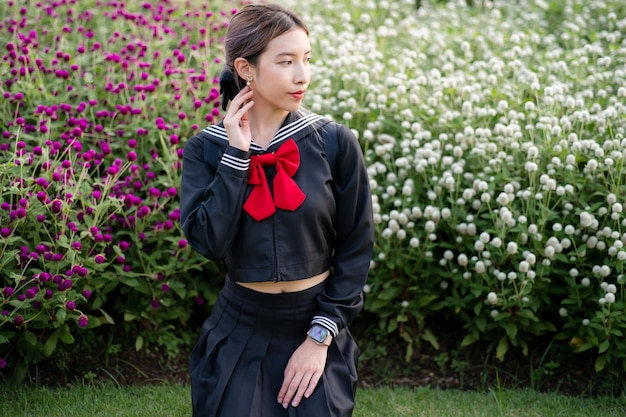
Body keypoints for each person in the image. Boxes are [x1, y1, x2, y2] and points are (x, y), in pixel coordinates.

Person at [180, 4, 374, 417]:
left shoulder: (334, 142)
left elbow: (357, 245)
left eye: (306, 59)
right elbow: (209, 243)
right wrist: (236, 155)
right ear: (246, 69)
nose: (302, 75)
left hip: (316, 320)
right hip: (239, 328)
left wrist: (321, 336)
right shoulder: (206, 149)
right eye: (285, 62)